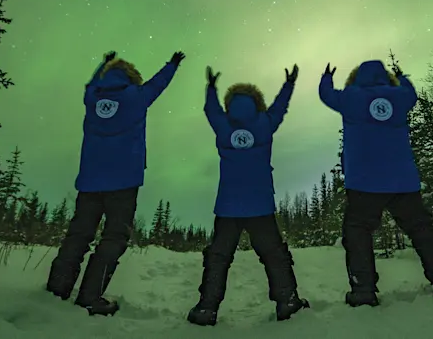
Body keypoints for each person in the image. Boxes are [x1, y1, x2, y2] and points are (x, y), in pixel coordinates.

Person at [46, 50, 186, 316]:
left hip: (89, 181)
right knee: (113, 237)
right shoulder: (136, 97)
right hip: (123, 182)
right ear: (132, 77)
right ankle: (90, 296)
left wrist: (102, 64)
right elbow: (159, 84)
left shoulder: (92, 97)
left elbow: (90, 84)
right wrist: (172, 64)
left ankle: (57, 290)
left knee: (78, 235)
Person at [318, 59, 433, 307]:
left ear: (356, 77)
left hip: (364, 182)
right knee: (422, 229)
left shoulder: (351, 98)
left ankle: (363, 291)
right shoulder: (400, 97)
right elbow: (411, 93)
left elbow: (326, 95)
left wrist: (326, 78)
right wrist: (402, 77)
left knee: (358, 232)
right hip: (403, 181)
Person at [187, 65, 310, 326]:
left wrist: (210, 89)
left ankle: (206, 309)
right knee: (274, 255)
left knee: (218, 258)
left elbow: (210, 110)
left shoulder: (223, 125)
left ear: (229, 104)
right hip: (260, 205)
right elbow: (280, 108)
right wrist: (289, 84)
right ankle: (287, 302)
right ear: (257, 102)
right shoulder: (265, 123)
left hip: (228, 206)